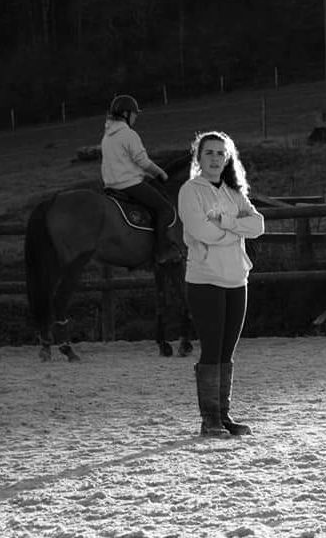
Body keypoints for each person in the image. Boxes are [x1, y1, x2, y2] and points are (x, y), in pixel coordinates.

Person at [177, 131, 264, 437]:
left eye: (220, 153)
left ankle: (223, 416)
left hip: (237, 279)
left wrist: (227, 224)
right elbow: (203, 232)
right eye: (209, 153)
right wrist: (236, 232)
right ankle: (209, 419)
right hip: (206, 280)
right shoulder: (190, 191)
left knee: (227, 351)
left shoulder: (233, 193)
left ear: (227, 159)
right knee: (212, 348)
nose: (214, 158)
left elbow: (259, 225)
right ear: (198, 158)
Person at [100, 94, 182, 265]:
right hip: (129, 184)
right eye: (134, 114)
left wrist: (147, 175)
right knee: (166, 209)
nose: (136, 117)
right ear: (126, 114)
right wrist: (160, 173)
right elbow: (142, 161)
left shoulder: (107, 136)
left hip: (110, 186)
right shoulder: (128, 134)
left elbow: (125, 163)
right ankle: (162, 250)